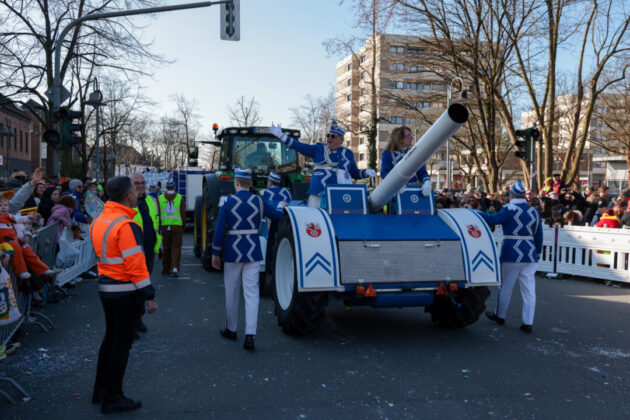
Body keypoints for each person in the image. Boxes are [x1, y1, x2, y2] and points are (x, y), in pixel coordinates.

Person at [90, 176, 158, 414]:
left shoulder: (101, 220)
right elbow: (136, 266)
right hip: (124, 292)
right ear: (128, 196)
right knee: (121, 345)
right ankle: (113, 396)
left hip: (107, 288)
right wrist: (149, 295)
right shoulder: (126, 225)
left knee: (110, 340)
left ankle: (100, 389)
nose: (138, 194)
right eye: (134, 191)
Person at [211, 169, 286, 350]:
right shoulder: (259, 201)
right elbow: (277, 215)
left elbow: (220, 230)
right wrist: (282, 206)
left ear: (236, 183)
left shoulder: (228, 202)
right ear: (250, 184)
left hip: (232, 252)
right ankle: (250, 335)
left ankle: (231, 329)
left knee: (232, 291)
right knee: (252, 293)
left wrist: (215, 252)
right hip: (253, 251)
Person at [479, 179, 543, 334]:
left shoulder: (509, 209)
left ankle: (500, 315)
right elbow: (538, 234)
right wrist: (538, 252)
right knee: (529, 290)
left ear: (512, 195)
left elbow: (493, 219)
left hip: (511, 253)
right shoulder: (534, 211)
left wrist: (478, 212)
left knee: (506, 286)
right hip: (530, 253)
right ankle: (528, 323)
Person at [269, 121, 376, 207]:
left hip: (339, 193)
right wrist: (282, 136)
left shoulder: (348, 154)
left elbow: (354, 173)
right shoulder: (319, 149)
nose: (329, 138)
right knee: (315, 221)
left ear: (341, 140)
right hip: (319, 192)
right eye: (328, 135)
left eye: (333, 136)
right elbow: (300, 146)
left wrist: (365, 172)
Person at [131, 172, 161, 334]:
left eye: (142, 182)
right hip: (133, 253)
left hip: (149, 251)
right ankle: (132, 323)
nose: (141, 186)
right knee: (133, 290)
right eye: (136, 183)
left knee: (143, 288)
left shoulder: (151, 200)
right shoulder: (127, 202)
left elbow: (155, 222)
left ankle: (138, 318)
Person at [380, 126, 432, 197]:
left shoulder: (415, 153)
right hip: (394, 193)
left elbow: (422, 172)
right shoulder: (387, 154)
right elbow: (384, 173)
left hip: (413, 191)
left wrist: (427, 182)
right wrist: (395, 185)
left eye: (411, 135)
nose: (412, 137)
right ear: (399, 138)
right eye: (408, 135)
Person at [158, 179, 185, 277]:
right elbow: (183, 214)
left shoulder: (160, 198)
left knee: (166, 247)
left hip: (165, 226)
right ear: (174, 187)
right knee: (176, 247)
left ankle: (166, 269)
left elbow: (159, 213)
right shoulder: (179, 198)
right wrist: (184, 226)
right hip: (177, 226)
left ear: (166, 187)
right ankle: (174, 268)